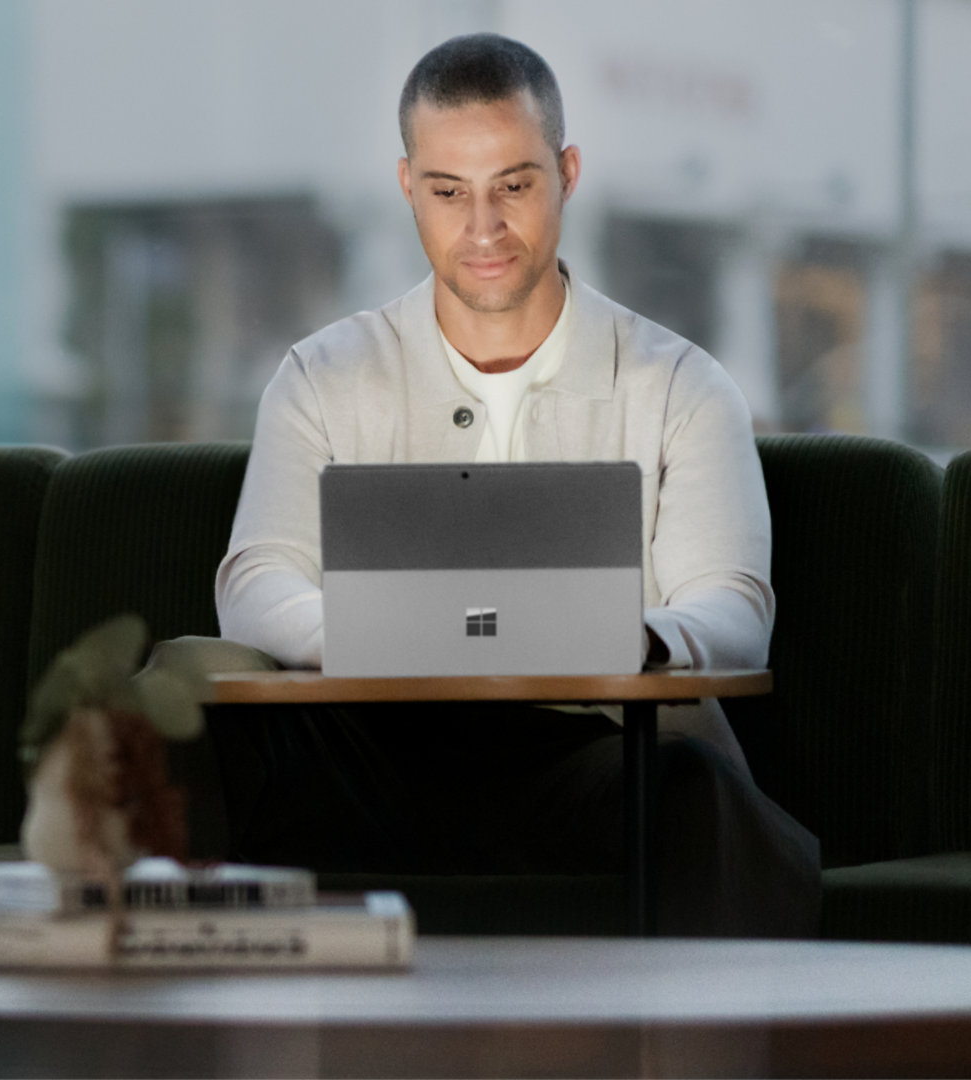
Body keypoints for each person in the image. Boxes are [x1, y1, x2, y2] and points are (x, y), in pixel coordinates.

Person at [210, 33, 820, 937]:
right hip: (375, 746)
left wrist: (635, 640)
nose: (483, 227)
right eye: (449, 192)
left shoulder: (680, 385)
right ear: (408, 187)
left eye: (515, 186)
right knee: (172, 692)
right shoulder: (323, 375)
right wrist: (376, 638)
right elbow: (255, 578)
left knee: (691, 782)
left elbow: (732, 605)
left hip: (596, 752)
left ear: (567, 173)